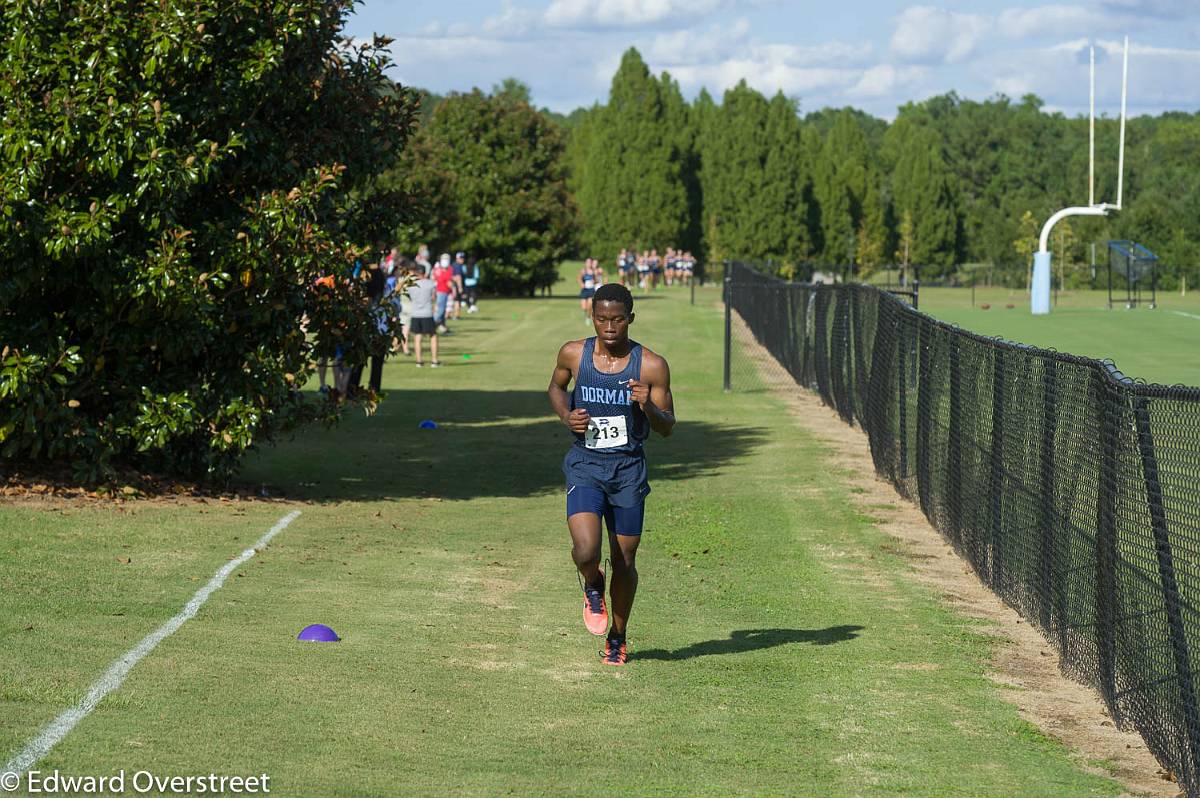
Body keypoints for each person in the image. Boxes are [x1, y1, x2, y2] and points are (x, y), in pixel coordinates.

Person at [547, 282, 676, 666]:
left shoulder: (651, 365)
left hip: (628, 470)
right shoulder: (574, 353)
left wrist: (647, 407)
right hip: (586, 464)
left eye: (617, 320)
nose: (609, 327)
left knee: (624, 559)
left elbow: (668, 426)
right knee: (587, 551)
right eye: (602, 319)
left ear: (630, 319)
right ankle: (592, 582)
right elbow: (555, 388)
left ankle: (617, 637)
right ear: (592, 316)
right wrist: (566, 416)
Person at [406, 262, 440, 367]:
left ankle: (419, 361)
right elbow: (434, 297)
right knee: (433, 336)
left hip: (415, 313)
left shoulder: (411, 285)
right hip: (427, 313)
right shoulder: (430, 283)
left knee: (417, 336)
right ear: (425, 273)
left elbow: (410, 298)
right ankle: (434, 360)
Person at [432, 253, 454, 334]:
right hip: (441, 291)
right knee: (440, 311)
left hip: (445, 291)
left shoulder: (448, 269)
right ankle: (431, 326)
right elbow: (448, 282)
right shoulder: (438, 270)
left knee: (443, 310)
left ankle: (443, 327)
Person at [578, 259, 597, 323]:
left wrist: (594, 281)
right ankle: (586, 314)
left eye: (590, 262)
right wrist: (581, 284)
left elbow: (596, 280)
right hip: (585, 290)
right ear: (586, 263)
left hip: (591, 289)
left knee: (590, 305)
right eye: (588, 262)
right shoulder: (583, 271)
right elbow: (579, 278)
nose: (589, 264)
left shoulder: (594, 271)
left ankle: (588, 317)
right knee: (584, 307)